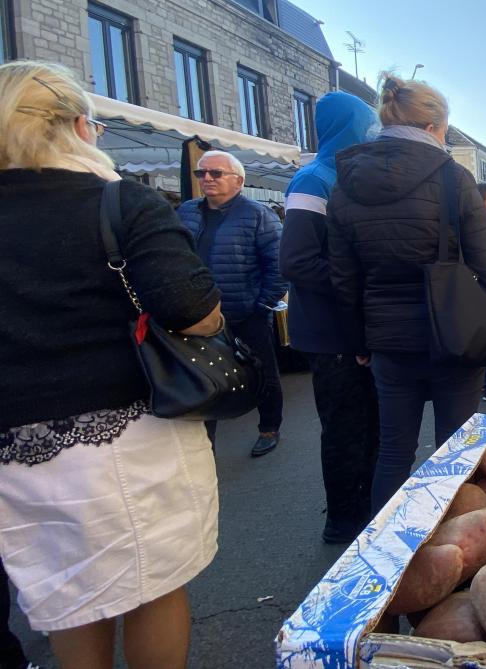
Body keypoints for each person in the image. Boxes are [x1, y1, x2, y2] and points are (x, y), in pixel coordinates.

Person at [0, 60, 221, 669]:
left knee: (73, 593)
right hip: (128, 430)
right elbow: (194, 310)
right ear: (78, 125)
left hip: (19, 446)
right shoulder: (119, 202)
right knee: (152, 585)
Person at [327, 74, 486, 513]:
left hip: (387, 339)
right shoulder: (452, 177)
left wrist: (358, 340)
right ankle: (452, 553)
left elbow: (343, 275)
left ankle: (388, 557)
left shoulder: (347, 181)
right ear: (435, 126)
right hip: (456, 331)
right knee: (456, 452)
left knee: (394, 452)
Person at [280, 91, 380, 543]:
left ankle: (366, 510)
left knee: (368, 425)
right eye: (368, 128)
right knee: (343, 429)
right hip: (329, 333)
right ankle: (342, 522)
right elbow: (298, 262)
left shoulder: (345, 178)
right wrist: (355, 281)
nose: (373, 137)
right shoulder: (311, 180)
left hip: (351, 328)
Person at [177, 150, 287, 457]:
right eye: (201, 174)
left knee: (262, 370)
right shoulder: (187, 211)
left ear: (238, 181)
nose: (207, 179)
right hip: (198, 313)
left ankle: (269, 427)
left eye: (215, 173)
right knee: (202, 376)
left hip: (245, 311)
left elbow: (278, 266)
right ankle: (205, 441)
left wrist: (261, 305)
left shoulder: (257, 214)